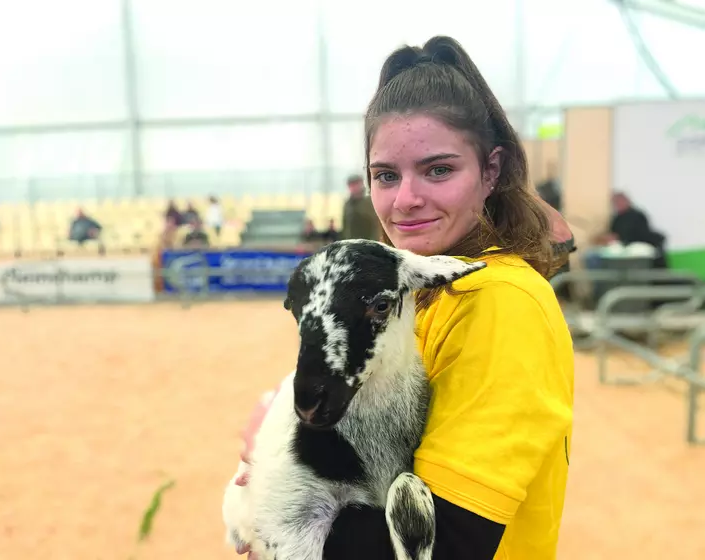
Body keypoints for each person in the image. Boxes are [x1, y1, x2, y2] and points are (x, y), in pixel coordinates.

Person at [232, 36, 574, 560]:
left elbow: (451, 543)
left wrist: (271, 508)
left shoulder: (501, 301)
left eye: (438, 170)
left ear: (491, 170)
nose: (406, 200)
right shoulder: (410, 293)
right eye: (385, 176)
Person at [341, 174, 380, 240]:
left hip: (368, 241)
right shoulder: (347, 204)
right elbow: (345, 225)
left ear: (361, 184)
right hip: (351, 242)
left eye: (356, 184)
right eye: (351, 185)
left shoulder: (370, 202)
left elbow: (376, 225)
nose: (353, 188)